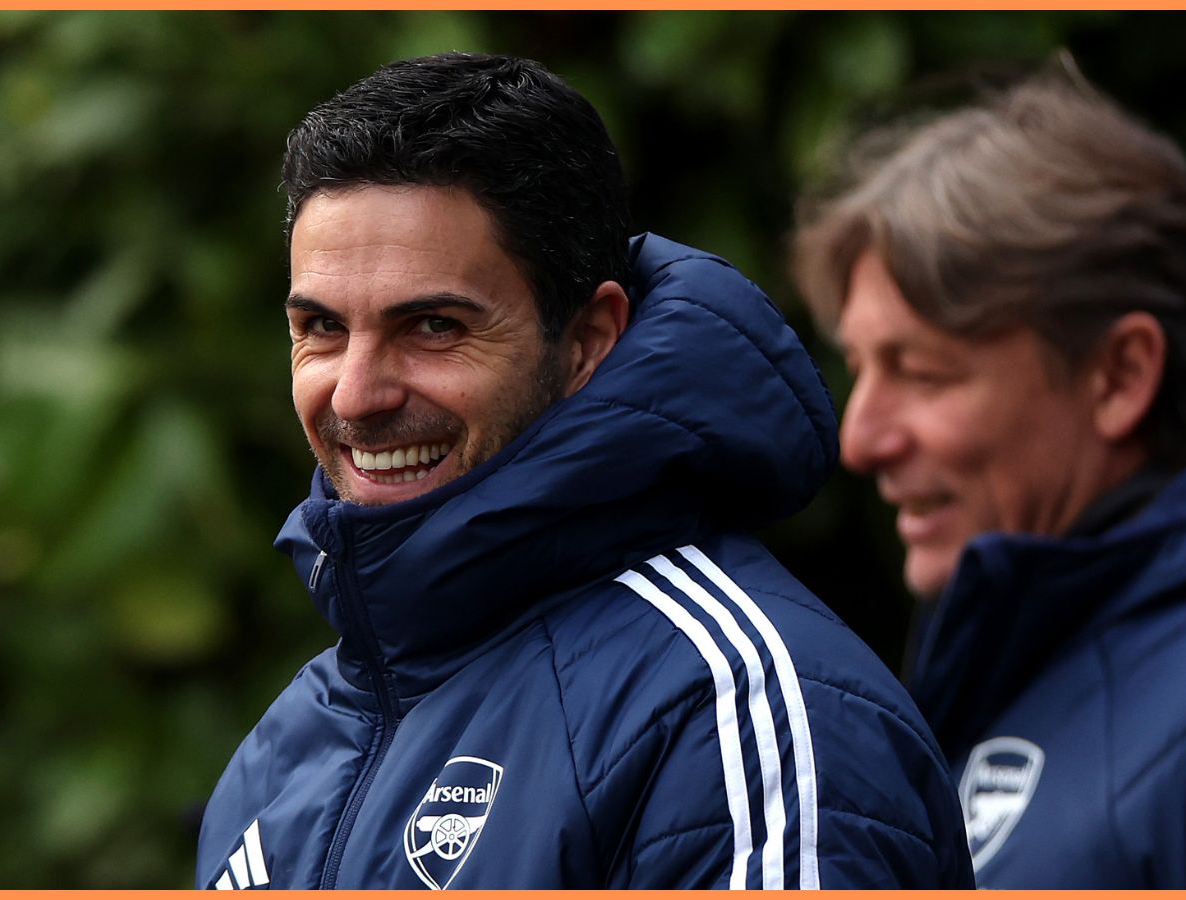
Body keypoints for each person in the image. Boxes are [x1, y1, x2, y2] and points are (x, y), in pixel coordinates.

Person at [196, 52, 972, 890]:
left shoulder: (729, 710)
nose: (356, 393)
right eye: (320, 327)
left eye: (431, 326)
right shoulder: (288, 747)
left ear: (586, 341)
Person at [791, 71, 1186, 889]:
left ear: (1117, 376)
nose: (857, 441)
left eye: (921, 372)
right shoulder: (993, 661)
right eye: (858, 368)